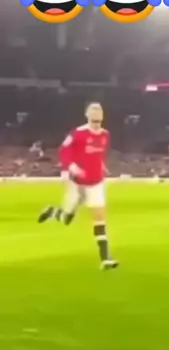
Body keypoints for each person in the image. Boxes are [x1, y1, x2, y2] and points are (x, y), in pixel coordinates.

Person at [38, 102, 118, 270]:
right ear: (87, 115)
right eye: (93, 113)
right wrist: (70, 167)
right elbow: (63, 150)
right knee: (66, 219)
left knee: (99, 219)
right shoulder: (78, 133)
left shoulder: (105, 135)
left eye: (99, 113)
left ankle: (105, 258)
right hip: (77, 183)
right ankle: (52, 212)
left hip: (96, 183)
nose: (97, 116)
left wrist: (102, 166)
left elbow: (100, 154)